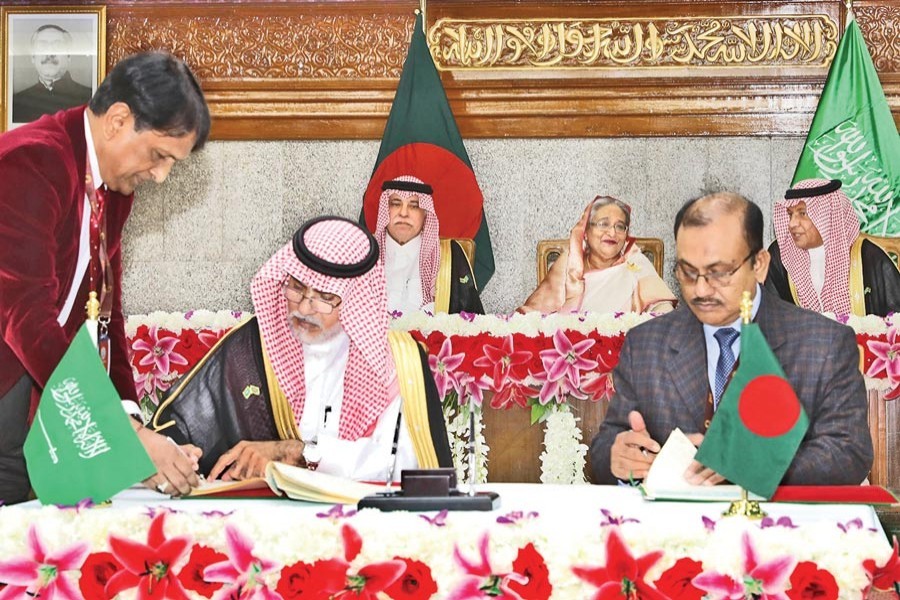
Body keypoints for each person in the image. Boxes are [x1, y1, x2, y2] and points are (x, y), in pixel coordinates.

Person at [0, 51, 211, 504]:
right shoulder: (31, 162)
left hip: (41, 408)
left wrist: (134, 425)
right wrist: (124, 433)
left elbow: (105, 314)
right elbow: (25, 317)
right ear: (117, 120)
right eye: (158, 155)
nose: (160, 176)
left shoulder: (113, 187)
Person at [590, 192, 872, 486]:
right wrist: (618, 458)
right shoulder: (647, 344)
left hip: (778, 527)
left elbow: (849, 452)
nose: (700, 290)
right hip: (677, 527)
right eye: (688, 272)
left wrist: (758, 465)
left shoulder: (822, 343)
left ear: (760, 265)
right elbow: (606, 447)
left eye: (720, 272)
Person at [151, 216, 453, 481]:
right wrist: (179, 454)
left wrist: (301, 454)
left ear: (356, 301)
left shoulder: (396, 363)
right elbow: (187, 422)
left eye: (324, 296)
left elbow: (402, 463)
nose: (305, 307)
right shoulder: (255, 345)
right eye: (296, 287)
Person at [519, 195, 676, 314]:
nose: (612, 232)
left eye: (620, 226)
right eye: (604, 224)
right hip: (570, 351)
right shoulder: (570, 262)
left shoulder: (634, 262)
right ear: (586, 231)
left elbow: (662, 307)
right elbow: (532, 315)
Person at [766, 179, 900, 317]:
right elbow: (769, 316)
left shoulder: (869, 257)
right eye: (790, 214)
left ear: (826, 215)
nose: (792, 224)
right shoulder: (780, 255)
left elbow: (896, 320)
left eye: (802, 213)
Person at [374, 176, 484, 315]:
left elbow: (471, 321)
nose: (403, 213)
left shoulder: (450, 255)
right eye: (396, 204)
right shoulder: (363, 254)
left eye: (414, 206)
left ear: (425, 213)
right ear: (385, 209)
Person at [12, 24, 93, 124]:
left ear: (69, 56)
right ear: (33, 57)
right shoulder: (16, 103)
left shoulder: (90, 99)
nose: (49, 54)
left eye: (58, 46)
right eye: (42, 46)